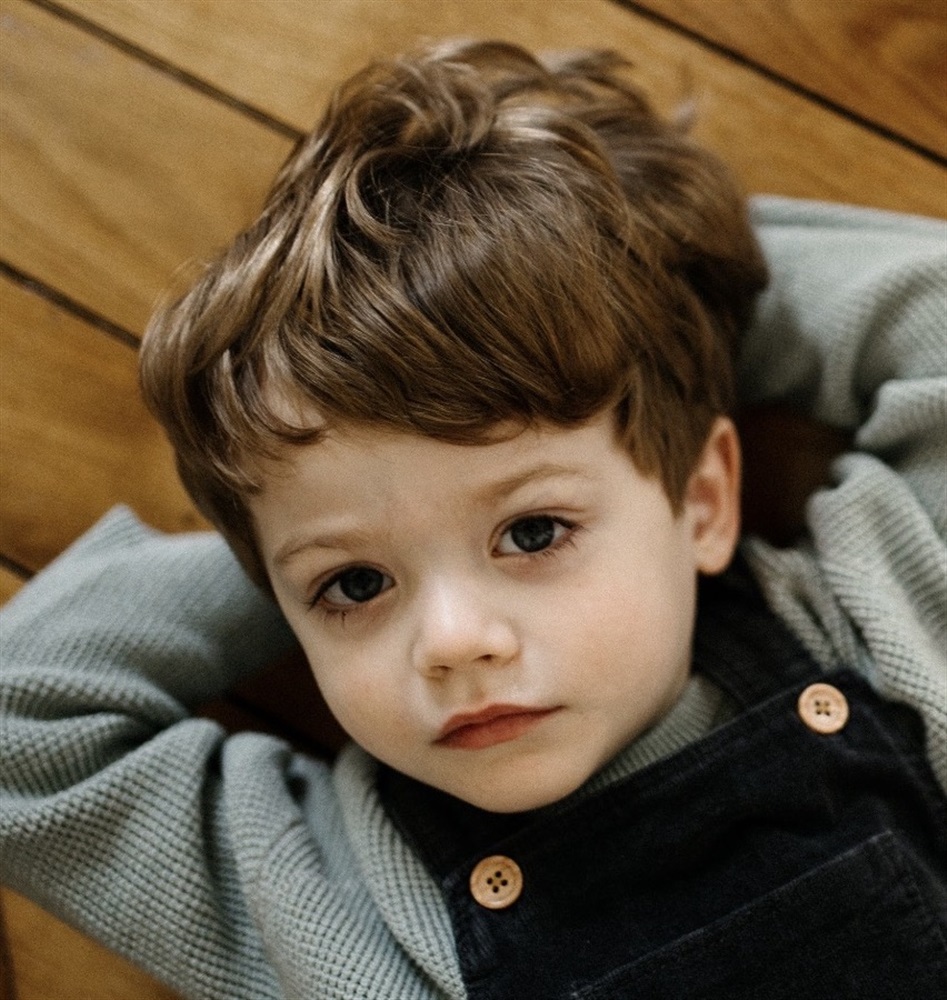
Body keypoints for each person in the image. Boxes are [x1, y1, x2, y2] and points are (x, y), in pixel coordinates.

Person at [1, 39, 944, 1000]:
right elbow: (15, 719)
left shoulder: (879, 636)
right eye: (355, 586)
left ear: (701, 501)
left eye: (532, 532)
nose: (453, 642)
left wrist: (646, 296)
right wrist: (270, 515)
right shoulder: (341, 910)